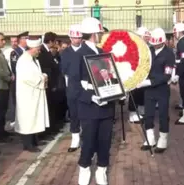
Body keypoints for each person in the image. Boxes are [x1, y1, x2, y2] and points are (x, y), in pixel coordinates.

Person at [68, 17, 116, 185]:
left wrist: (118, 91)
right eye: (100, 33)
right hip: (89, 107)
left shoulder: (101, 52)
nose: (102, 35)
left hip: (107, 105)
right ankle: (85, 167)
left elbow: (108, 76)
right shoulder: (78, 54)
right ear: (94, 34)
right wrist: (91, 97)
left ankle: (102, 169)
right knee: (88, 140)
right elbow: (74, 85)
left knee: (105, 140)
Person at [136, 28, 175, 153]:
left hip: (162, 88)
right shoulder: (149, 51)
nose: (154, 45)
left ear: (162, 42)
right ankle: (150, 138)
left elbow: (167, 75)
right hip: (148, 89)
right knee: (148, 114)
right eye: (153, 43)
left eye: (157, 43)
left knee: (163, 115)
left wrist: (150, 82)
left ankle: (163, 140)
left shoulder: (169, 54)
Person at [15, 37, 50, 152]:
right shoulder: (24, 60)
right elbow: (29, 77)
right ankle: (28, 144)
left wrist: (42, 76)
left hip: (34, 94)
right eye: (38, 49)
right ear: (33, 48)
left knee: (35, 117)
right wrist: (43, 77)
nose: (39, 51)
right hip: (27, 95)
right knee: (28, 119)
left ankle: (35, 140)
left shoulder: (33, 59)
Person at [60, 24, 83, 152]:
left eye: (79, 37)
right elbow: (64, 71)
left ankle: (85, 135)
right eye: (74, 38)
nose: (77, 40)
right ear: (70, 38)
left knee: (85, 113)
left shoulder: (85, 50)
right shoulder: (65, 53)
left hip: (85, 87)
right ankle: (75, 139)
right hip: (72, 87)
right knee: (74, 114)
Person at [38, 32, 64, 134]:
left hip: (52, 83)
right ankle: (47, 131)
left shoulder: (48, 52)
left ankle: (52, 128)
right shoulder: (42, 51)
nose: (55, 43)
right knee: (48, 107)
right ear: (50, 41)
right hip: (47, 84)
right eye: (54, 41)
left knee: (52, 107)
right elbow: (46, 68)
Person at [128, 27, 151, 123]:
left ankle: (141, 109)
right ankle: (132, 113)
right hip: (135, 74)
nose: (147, 38)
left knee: (142, 92)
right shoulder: (134, 47)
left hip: (144, 74)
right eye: (145, 36)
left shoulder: (147, 47)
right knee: (134, 93)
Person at [9, 31, 29, 126]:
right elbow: (15, 68)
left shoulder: (28, 50)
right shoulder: (15, 52)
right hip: (19, 82)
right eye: (26, 38)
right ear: (21, 40)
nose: (28, 40)